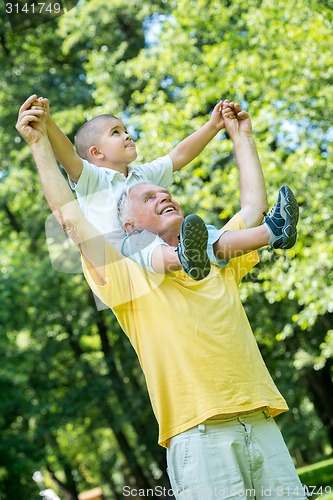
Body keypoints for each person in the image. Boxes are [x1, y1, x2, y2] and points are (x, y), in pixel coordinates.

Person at [16, 100, 306, 499]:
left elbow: (253, 209)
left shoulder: (215, 261)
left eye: (165, 192)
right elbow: (68, 217)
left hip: (260, 418)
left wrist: (241, 137)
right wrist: (38, 141)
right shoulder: (124, 276)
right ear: (129, 223)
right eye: (148, 197)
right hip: (199, 434)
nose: (162, 195)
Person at [26, 96, 297, 282]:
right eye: (116, 133)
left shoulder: (142, 175)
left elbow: (179, 155)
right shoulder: (92, 179)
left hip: (164, 248)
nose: (127, 135)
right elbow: (68, 156)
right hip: (120, 259)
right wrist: (47, 122)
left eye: (125, 129)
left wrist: (214, 125)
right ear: (96, 152)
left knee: (209, 237)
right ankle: (184, 258)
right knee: (140, 243)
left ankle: (272, 232)